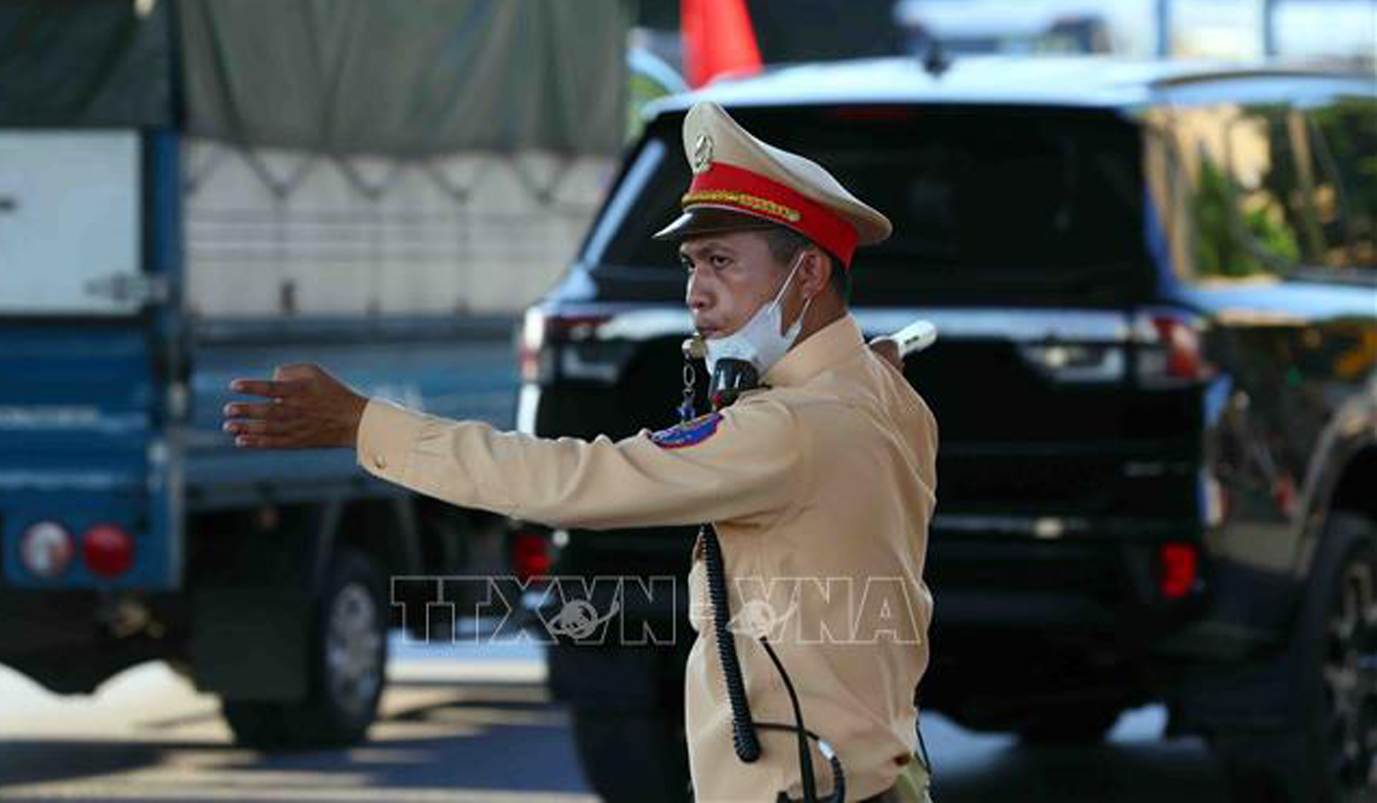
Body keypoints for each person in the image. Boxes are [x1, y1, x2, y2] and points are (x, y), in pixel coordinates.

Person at [223, 101, 937, 803]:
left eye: (721, 261)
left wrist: (362, 425)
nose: (697, 292)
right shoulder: (882, 396)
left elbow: (570, 482)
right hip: (875, 772)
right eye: (691, 264)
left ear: (808, 275)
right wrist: (855, 364)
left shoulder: (792, 426)